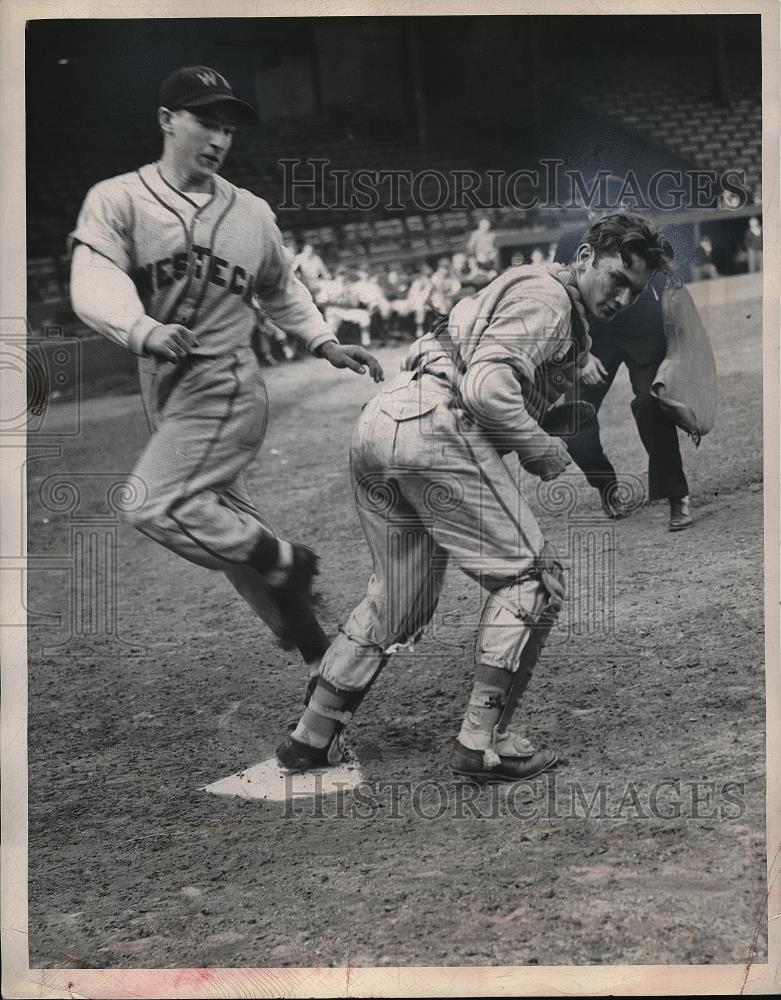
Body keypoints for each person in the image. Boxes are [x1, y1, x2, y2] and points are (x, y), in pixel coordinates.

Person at [276, 213, 674, 780]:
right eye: (617, 278)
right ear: (585, 257)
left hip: (382, 423)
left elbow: (486, 371)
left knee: (398, 602)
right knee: (532, 578)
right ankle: (483, 742)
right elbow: (486, 389)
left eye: (635, 290)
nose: (624, 297)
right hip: (435, 425)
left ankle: (311, 737)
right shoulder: (549, 299)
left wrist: (550, 405)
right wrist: (540, 446)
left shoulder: (531, 289)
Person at [69, 65, 384, 684]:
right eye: (205, 122)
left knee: (151, 504)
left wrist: (325, 341)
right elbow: (92, 277)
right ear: (167, 120)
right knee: (229, 533)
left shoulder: (252, 213)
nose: (218, 138)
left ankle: (287, 563)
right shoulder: (120, 199)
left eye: (227, 128)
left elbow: (282, 289)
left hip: (227, 385)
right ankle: (321, 655)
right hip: (166, 395)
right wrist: (139, 327)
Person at [554, 221, 696, 530]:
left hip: (643, 334)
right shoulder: (569, 240)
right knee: (574, 423)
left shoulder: (644, 243)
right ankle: (607, 486)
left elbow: (670, 290)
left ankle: (676, 494)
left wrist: (677, 347)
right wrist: (581, 355)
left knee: (651, 404)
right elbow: (563, 296)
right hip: (593, 339)